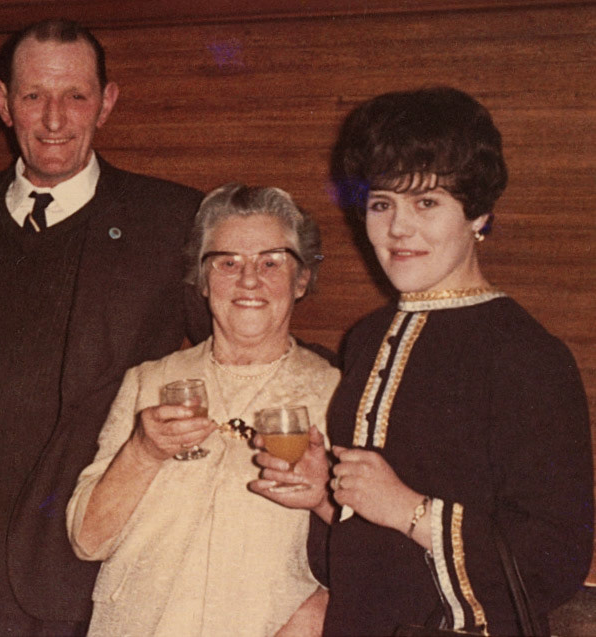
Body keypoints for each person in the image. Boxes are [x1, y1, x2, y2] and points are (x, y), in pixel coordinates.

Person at [0, 18, 210, 635]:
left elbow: (231, 357)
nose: (55, 119)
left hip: (71, 564)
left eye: (76, 96)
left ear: (107, 103)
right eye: (34, 95)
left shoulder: (170, 221)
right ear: (3, 102)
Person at [252, 86, 594, 635]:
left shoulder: (528, 356)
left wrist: (410, 510)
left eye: (426, 203)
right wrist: (325, 495)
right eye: (382, 203)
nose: (398, 228)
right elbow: (370, 555)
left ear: (478, 214)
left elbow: (555, 559)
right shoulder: (367, 337)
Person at [66, 184, 337, 636]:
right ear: (202, 279)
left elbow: (379, 555)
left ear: (302, 278)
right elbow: (86, 540)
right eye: (227, 263)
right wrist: (142, 452)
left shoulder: (334, 390)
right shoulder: (148, 381)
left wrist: (319, 606)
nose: (249, 280)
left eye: (271, 262)